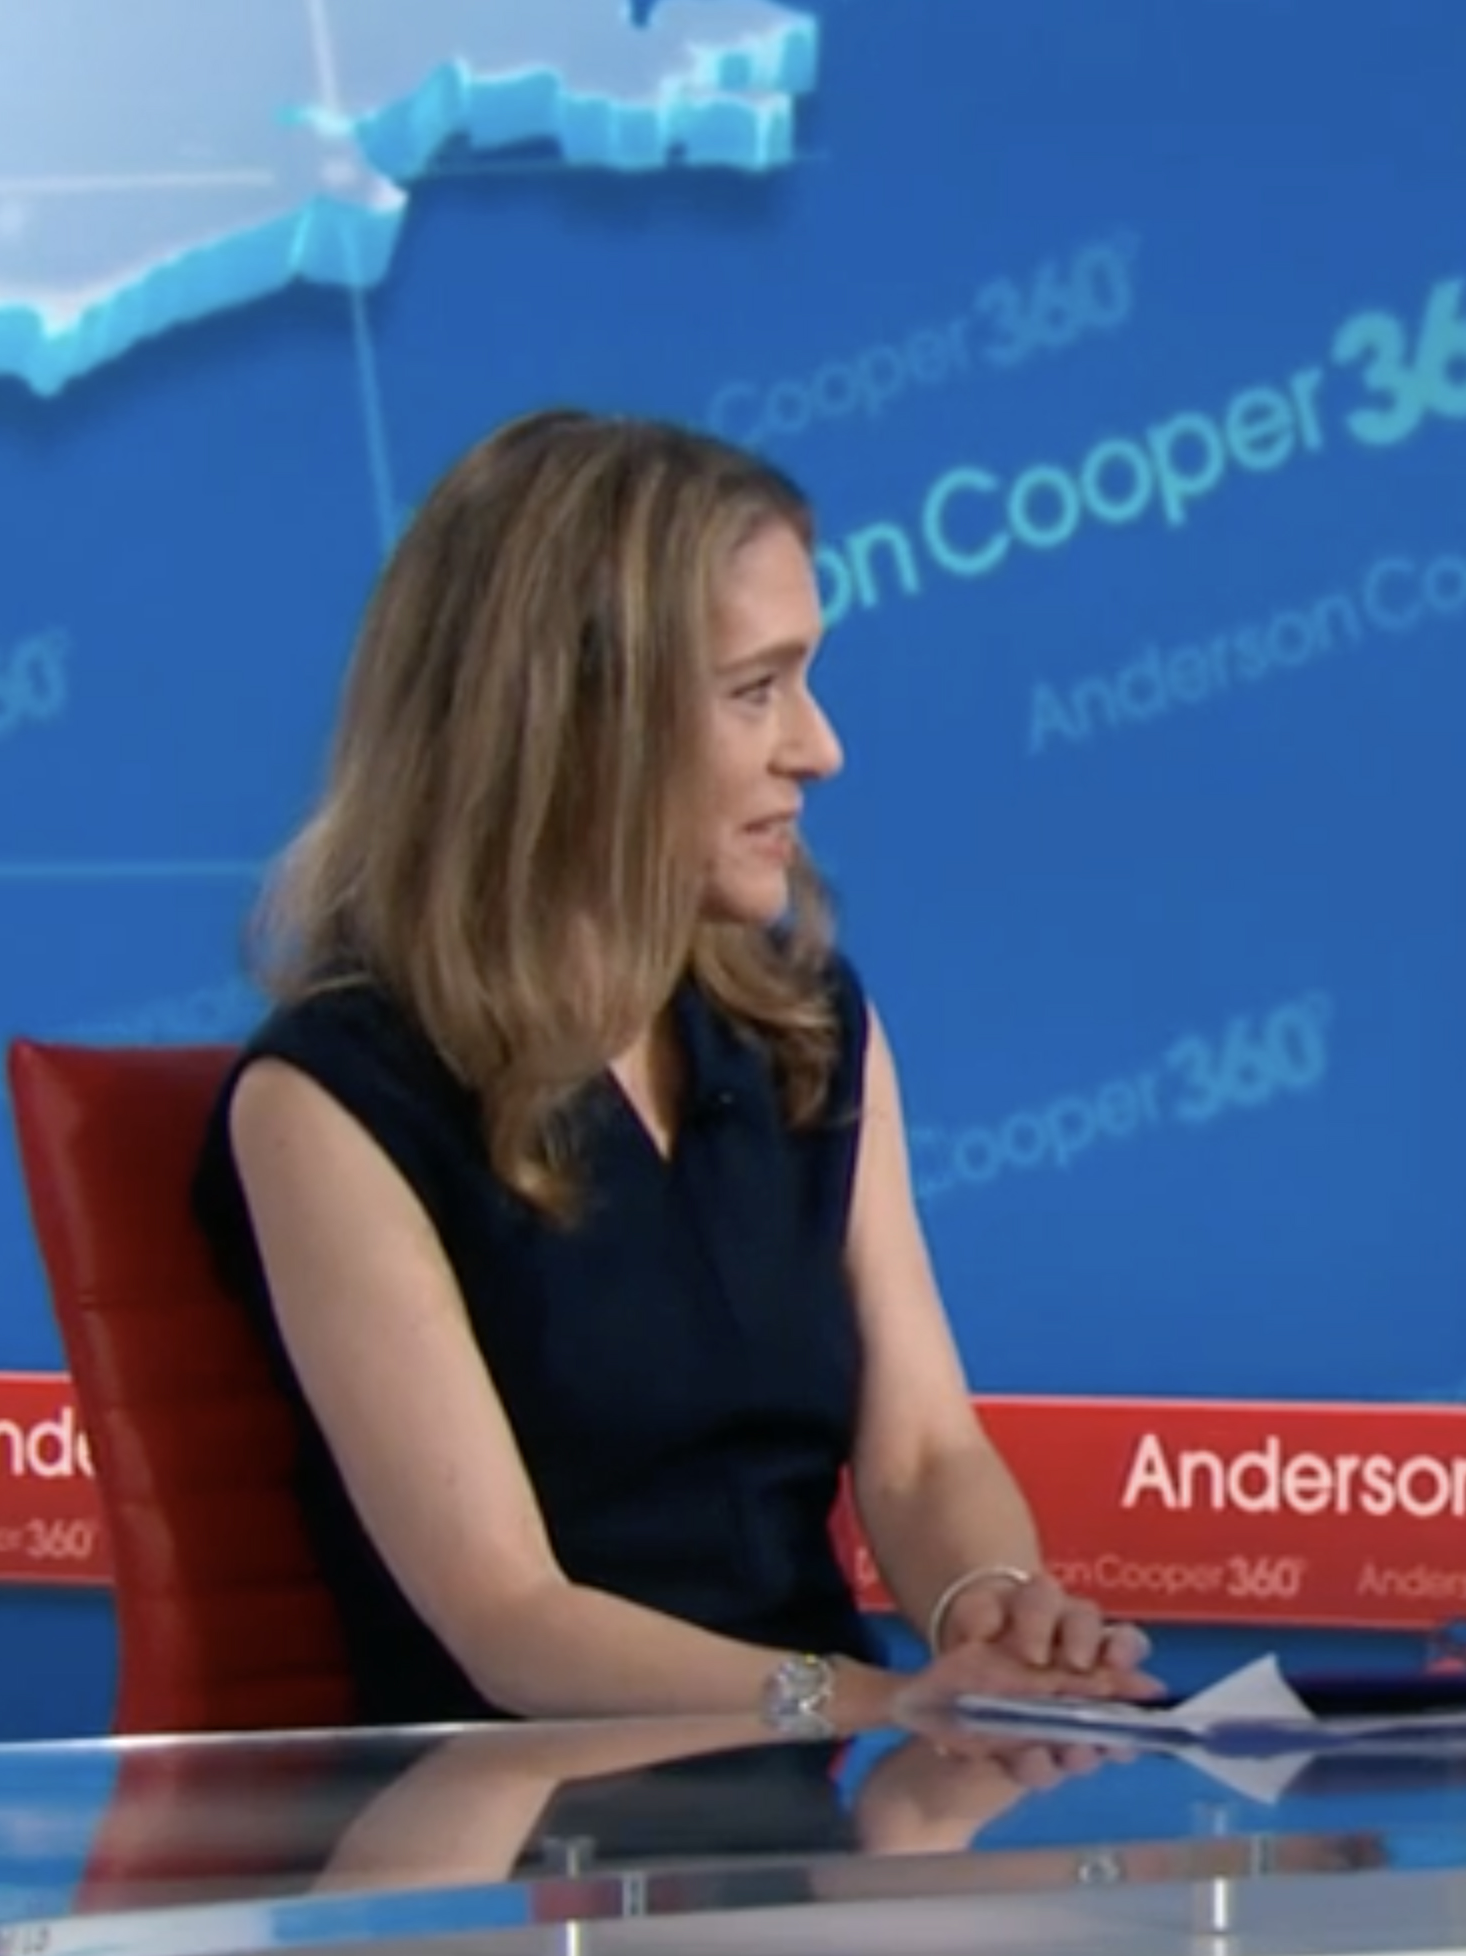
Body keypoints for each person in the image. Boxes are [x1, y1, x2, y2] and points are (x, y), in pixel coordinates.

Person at [192, 408, 1159, 1733]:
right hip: (515, 1817)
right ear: (572, 721)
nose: (819, 748)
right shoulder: (332, 1097)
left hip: (821, 1797)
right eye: (756, 691)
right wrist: (877, 1701)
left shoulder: (805, 1027)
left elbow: (927, 1453)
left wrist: (990, 1611)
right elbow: (512, 1622)